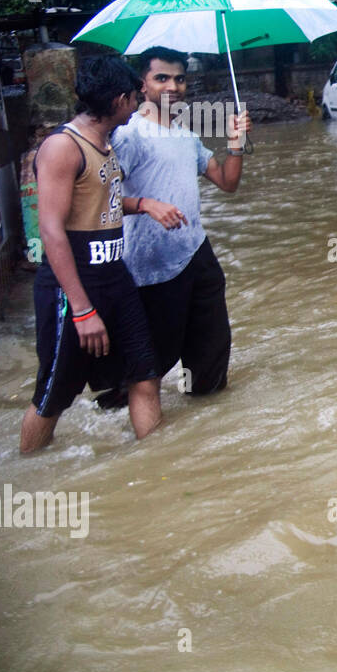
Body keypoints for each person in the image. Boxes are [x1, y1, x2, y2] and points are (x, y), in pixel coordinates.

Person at [19, 56, 186, 452]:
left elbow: (99, 203)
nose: (139, 103)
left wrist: (143, 204)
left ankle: (156, 465)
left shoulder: (106, 144)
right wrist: (81, 309)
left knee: (144, 374)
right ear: (118, 99)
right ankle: (30, 468)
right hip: (73, 286)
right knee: (54, 395)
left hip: (116, 277)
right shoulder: (63, 147)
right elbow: (52, 230)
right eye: (134, 96)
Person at [104, 46, 250, 405]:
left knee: (211, 349)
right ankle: (114, 409)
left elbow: (227, 183)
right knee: (152, 360)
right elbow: (98, 201)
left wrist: (236, 146)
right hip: (151, 264)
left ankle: (207, 416)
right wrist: (145, 205)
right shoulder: (129, 135)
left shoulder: (186, 136)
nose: (173, 86)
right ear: (143, 84)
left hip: (196, 251)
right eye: (162, 78)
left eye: (180, 79)